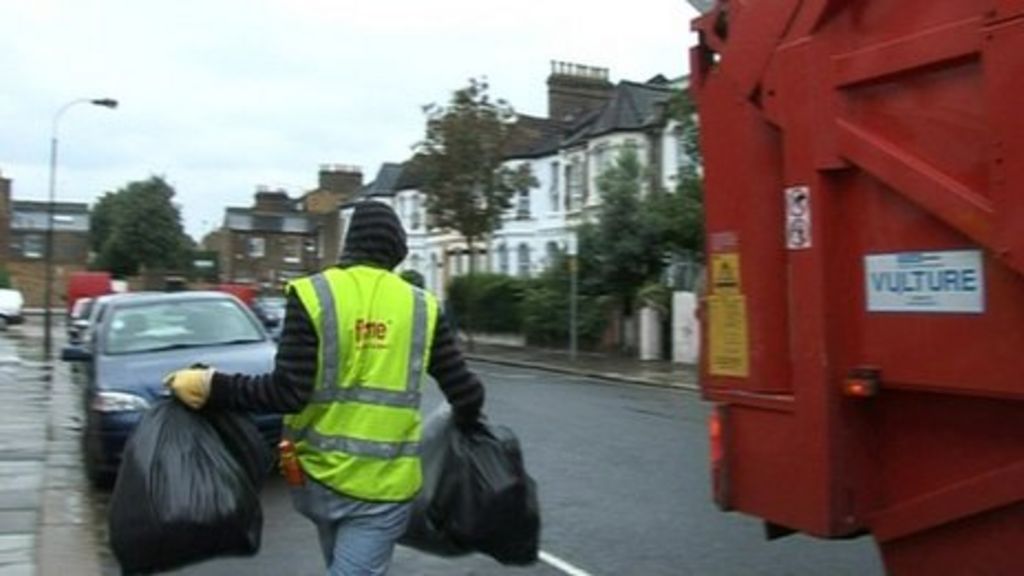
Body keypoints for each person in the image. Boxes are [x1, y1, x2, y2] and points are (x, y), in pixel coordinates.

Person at [164, 201, 485, 575]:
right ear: (397, 251)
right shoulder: (422, 308)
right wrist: (465, 427)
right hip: (382, 490)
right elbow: (467, 394)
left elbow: (286, 392)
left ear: (349, 246)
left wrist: (210, 385)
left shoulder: (313, 295)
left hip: (318, 482)